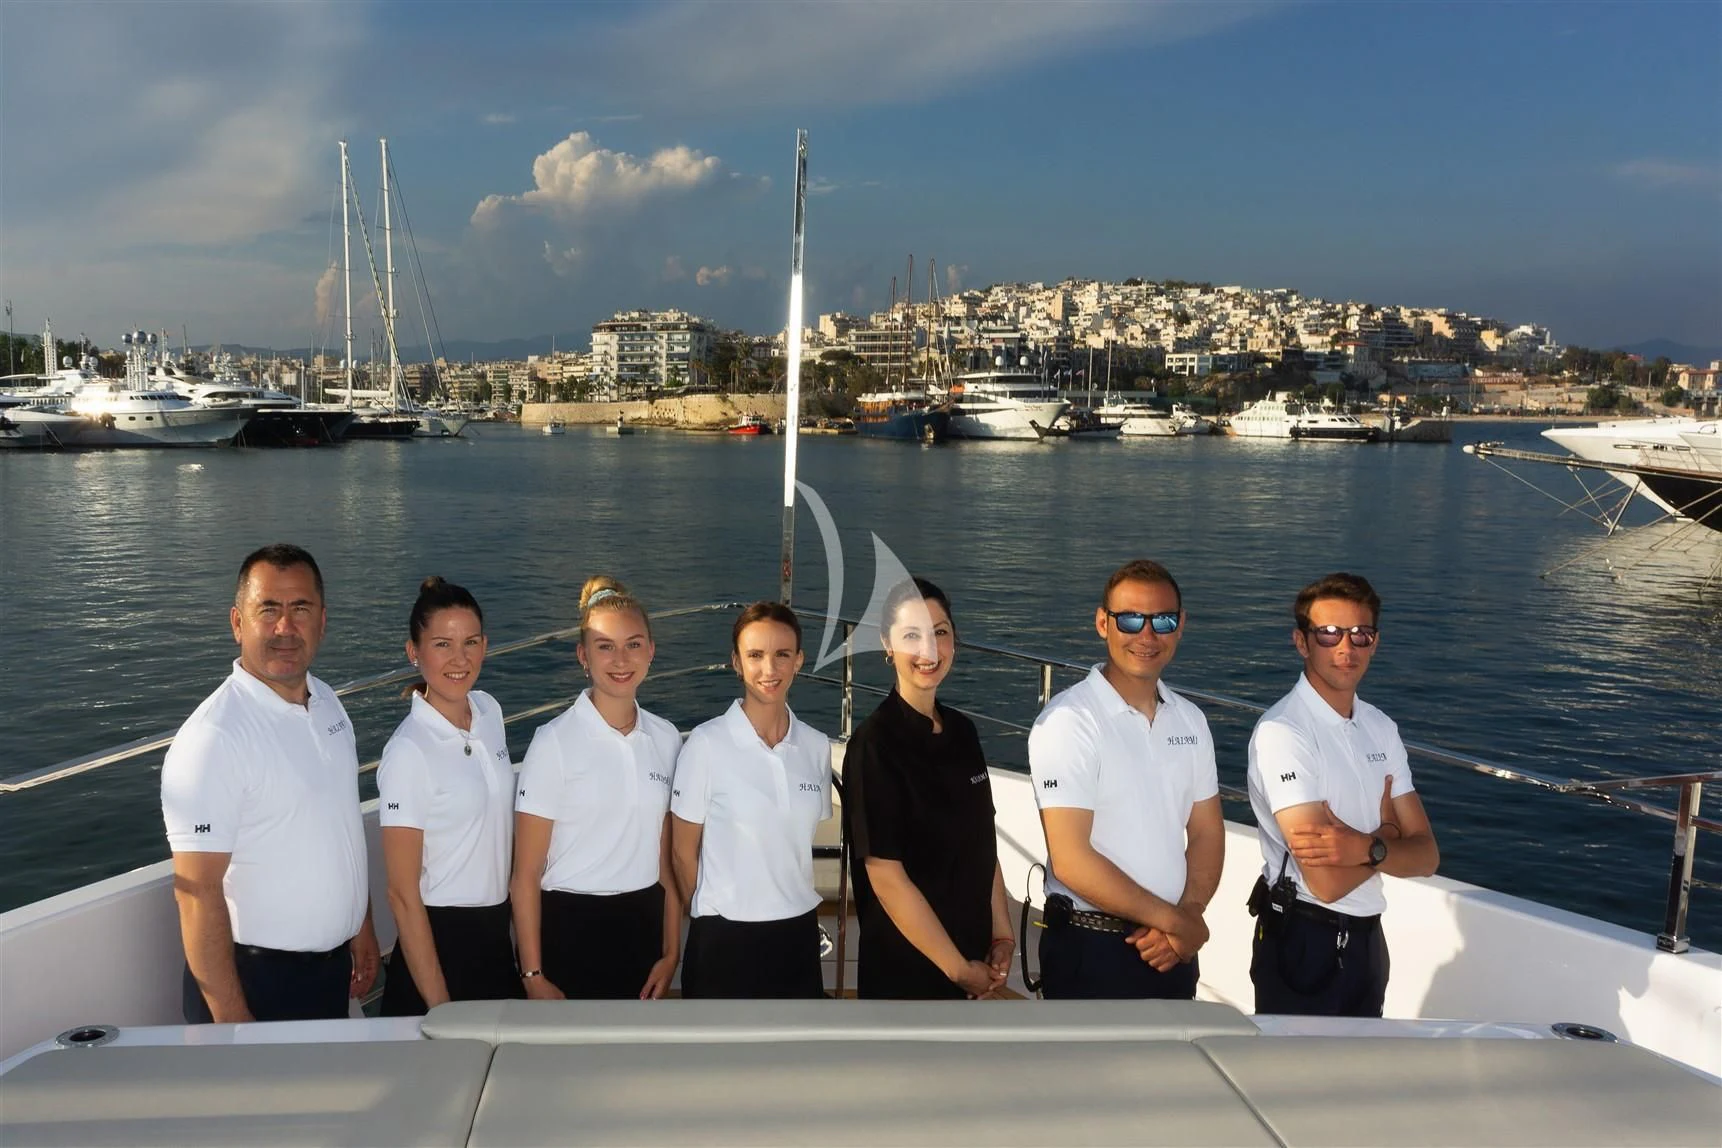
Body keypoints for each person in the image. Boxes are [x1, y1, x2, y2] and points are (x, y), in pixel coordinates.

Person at [161, 543, 380, 1023]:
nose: (285, 627)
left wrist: (360, 925)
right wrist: (234, 1023)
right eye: (268, 609)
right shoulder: (214, 738)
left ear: (322, 620)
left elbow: (339, 826)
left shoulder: (327, 703)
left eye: (300, 608)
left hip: (328, 972)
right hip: (254, 982)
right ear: (237, 622)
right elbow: (197, 894)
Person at [1028, 559, 1223, 1000]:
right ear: (1103, 623)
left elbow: (1207, 832)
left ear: (1181, 625)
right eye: (1130, 620)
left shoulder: (1191, 720)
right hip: (1090, 947)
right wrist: (1178, 924)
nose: (1147, 635)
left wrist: (1189, 914)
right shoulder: (1069, 722)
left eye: (1162, 620)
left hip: (1172, 950)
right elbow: (1071, 859)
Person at [1246, 572, 1439, 1017]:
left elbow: (1428, 857)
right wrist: (1388, 834)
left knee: (1363, 1063)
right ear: (1302, 642)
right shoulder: (1284, 733)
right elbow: (1326, 884)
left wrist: (1365, 847)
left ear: (1375, 642)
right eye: (1329, 633)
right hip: (1302, 940)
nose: (1346, 647)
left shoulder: (1380, 727)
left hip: (1368, 941)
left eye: (1360, 634)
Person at [510, 577, 683, 1000]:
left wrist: (671, 953)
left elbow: (666, 865)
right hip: (569, 930)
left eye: (633, 644)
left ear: (651, 651)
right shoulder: (553, 742)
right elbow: (525, 874)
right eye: (605, 646)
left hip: (643, 928)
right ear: (583, 656)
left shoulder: (666, 739)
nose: (621, 659)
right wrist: (532, 975)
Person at [843, 577, 1014, 1000]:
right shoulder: (873, 745)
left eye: (940, 632)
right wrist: (958, 969)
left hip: (975, 965)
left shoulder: (963, 732)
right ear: (887, 643)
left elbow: (983, 842)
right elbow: (886, 878)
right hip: (906, 973)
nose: (929, 649)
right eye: (911, 635)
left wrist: (1002, 935)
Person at [669, 602, 833, 998]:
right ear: (736, 663)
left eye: (782, 654)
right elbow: (681, 854)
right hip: (723, 939)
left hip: (798, 932)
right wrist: (717, 913)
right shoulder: (706, 744)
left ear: (799, 661)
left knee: (796, 1039)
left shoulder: (815, 746)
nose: (769, 669)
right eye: (755, 655)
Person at [377, 577, 520, 1016]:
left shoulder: (489, 711)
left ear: (485, 645)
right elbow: (402, 894)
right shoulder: (408, 751)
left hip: (496, 936)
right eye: (443, 644)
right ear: (414, 652)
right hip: (440, 943)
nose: (460, 659)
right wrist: (440, 1004)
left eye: (470, 642)